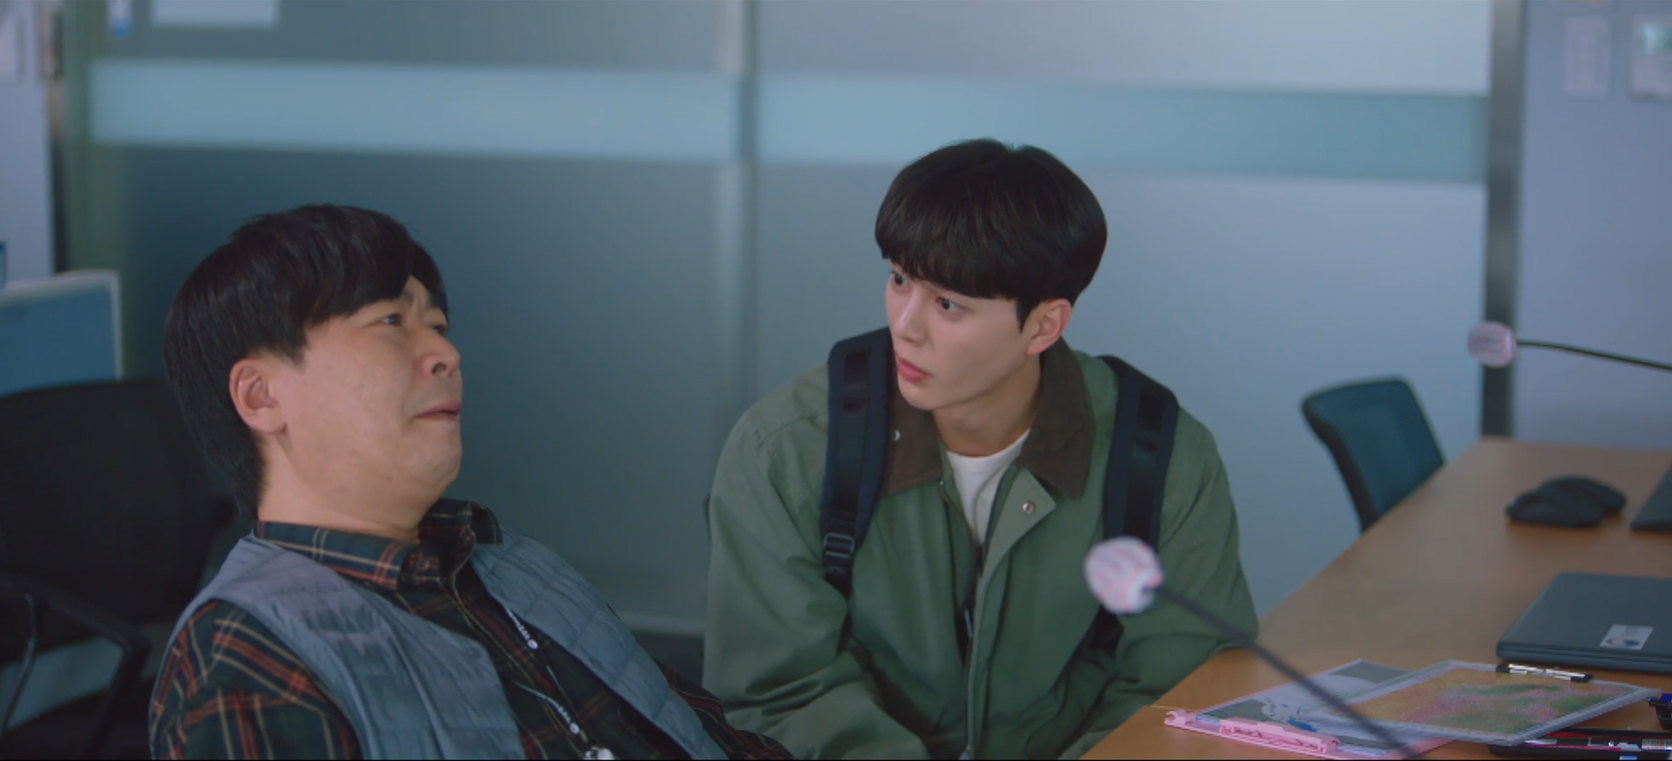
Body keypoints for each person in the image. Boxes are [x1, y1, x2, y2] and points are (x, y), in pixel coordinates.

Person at [150, 204, 790, 760]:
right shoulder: (247, 652)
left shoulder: (514, 564)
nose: (447, 354)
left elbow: (697, 731)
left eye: (437, 326)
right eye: (391, 322)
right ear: (261, 396)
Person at [702, 139, 1258, 759]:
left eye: (947, 304)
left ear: (1043, 326)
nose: (904, 326)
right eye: (899, 279)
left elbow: (1181, 690)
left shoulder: (1162, 460)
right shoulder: (787, 449)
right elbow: (780, 690)